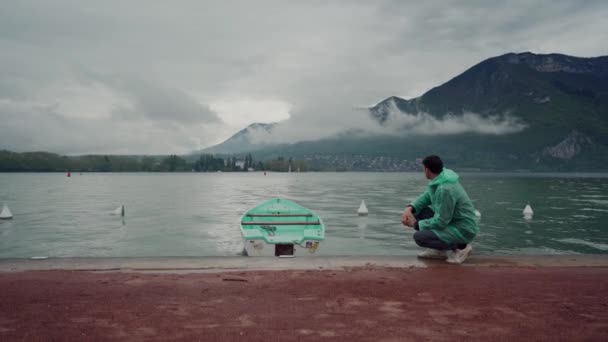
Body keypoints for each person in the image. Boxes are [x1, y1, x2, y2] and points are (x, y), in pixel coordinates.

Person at [402, 155, 478, 264]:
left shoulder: (445, 189)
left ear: (427, 170)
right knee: (417, 211)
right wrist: (409, 208)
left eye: (423, 169)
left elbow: (442, 221)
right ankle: (438, 250)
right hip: (451, 222)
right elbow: (426, 197)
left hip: (462, 229)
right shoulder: (440, 179)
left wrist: (416, 224)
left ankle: (461, 247)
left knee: (420, 238)